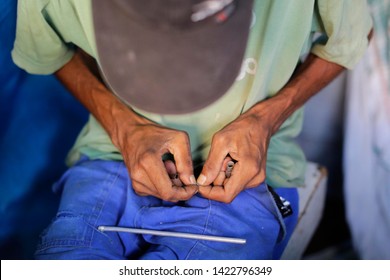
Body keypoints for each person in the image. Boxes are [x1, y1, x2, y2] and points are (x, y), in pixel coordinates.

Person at [11, 0, 372, 260]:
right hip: (111, 157)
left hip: (246, 181)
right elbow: (49, 50)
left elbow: (349, 39)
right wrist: (125, 129)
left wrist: (264, 121)